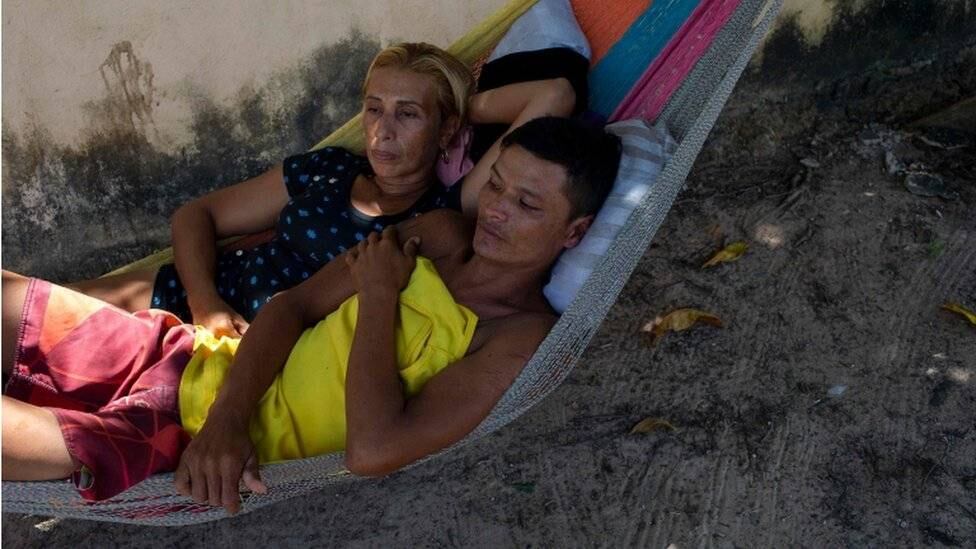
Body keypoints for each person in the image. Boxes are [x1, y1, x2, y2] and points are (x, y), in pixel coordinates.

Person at [1, 116, 621, 515]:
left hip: (178, 446)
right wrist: (227, 417)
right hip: (192, 361)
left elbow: (374, 450)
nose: (497, 209)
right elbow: (292, 306)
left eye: (527, 204)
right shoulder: (439, 233)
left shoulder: (518, 337)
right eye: (497, 185)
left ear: (575, 232)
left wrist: (379, 297)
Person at [66, 42, 581, 338]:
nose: (382, 130)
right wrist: (206, 304)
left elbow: (554, 94)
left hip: (255, 350)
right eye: (374, 108)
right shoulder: (330, 167)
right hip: (198, 295)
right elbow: (196, 215)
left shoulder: (447, 210)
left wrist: (460, 108)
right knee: (30, 308)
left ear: (446, 129)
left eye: (408, 114)